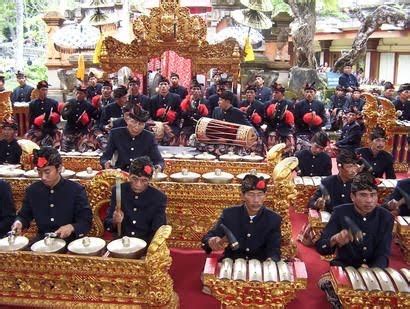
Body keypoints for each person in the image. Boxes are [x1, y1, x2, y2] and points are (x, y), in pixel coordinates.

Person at [317, 172, 394, 308]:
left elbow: (384, 252)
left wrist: (373, 271)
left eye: (373, 195)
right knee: (333, 288)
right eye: (363, 195)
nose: (369, 200)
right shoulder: (340, 212)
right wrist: (334, 239)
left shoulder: (386, 217)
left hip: (374, 268)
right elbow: (321, 247)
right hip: (345, 267)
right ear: (353, 196)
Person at [11, 147, 92, 242]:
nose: (43, 177)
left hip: (70, 242)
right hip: (43, 241)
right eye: (39, 172)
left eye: (47, 172)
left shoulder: (75, 190)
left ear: (59, 168)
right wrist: (19, 222)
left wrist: (71, 227)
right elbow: (24, 216)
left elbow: (85, 221)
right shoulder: (33, 190)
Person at [201, 174, 281, 261]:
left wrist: (271, 260)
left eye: (260, 194)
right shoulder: (230, 214)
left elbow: (274, 249)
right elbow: (207, 238)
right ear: (242, 196)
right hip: (232, 262)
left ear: (265, 196)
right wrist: (212, 241)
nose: (256, 200)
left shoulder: (273, 218)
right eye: (251, 194)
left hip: (259, 265)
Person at [104, 156, 167, 242]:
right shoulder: (118, 190)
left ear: (150, 180)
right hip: (121, 243)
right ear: (129, 175)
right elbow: (107, 225)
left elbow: (158, 231)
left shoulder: (159, 198)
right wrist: (114, 221)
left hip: (146, 245)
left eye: (144, 180)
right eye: (134, 178)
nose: (138, 184)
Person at [100, 103, 164, 171]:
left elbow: (158, 160)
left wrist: (158, 167)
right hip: (121, 172)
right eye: (134, 122)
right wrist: (106, 163)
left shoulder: (149, 137)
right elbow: (105, 157)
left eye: (141, 124)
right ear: (127, 120)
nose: (137, 127)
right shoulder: (115, 134)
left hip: (141, 174)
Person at [61, 85, 100, 152]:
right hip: (69, 131)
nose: (78, 95)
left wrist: (98, 109)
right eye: (77, 93)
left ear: (85, 95)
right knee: (65, 153)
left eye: (81, 93)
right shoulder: (69, 102)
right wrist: (65, 112)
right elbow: (64, 117)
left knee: (83, 152)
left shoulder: (89, 105)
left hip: (82, 132)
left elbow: (96, 117)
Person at [25, 80, 61, 147]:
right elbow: (31, 119)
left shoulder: (53, 103)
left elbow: (58, 119)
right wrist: (38, 121)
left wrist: (52, 118)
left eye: (46, 90)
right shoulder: (33, 104)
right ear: (38, 90)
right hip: (37, 129)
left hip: (51, 129)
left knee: (57, 137)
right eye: (42, 90)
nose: (45, 92)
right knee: (29, 139)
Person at [149, 76, 182, 145]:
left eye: (165, 84)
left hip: (173, 125)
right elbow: (151, 115)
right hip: (158, 125)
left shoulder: (176, 98)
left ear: (169, 87)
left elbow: (180, 113)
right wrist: (160, 124)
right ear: (158, 87)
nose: (163, 86)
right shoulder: (153, 99)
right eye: (161, 84)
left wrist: (171, 115)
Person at [294, 83, 326, 150]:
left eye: (311, 92)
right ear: (304, 93)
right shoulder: (298, 105)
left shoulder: (320, 104)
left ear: (315, 93)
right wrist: (306, 121)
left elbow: (324, 119)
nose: (309, 94)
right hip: (302, 131)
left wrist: (316, 121)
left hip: (316, 131)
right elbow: (296, 119)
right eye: (307, 92)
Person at [264, 83, 295, 152]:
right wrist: (270, 115)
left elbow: (293, 121)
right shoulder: (268, 104)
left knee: (289, 146)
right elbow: (265, 119)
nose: (274, 94)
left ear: (282, 94)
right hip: (272, 129)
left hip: (285, 130)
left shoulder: (289, 104)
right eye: (273, 92)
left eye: (276, 92)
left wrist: (288, 117)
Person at [179, 80, 208, 145]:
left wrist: (203, 112)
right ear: (190, 91)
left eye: (198, 89)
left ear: (200, 91)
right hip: (188, 126)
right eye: (194, 89)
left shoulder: (205, 102)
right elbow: (181, 115)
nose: (196, 91)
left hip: (200, 127)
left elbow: (207, 117)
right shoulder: (185, 102)